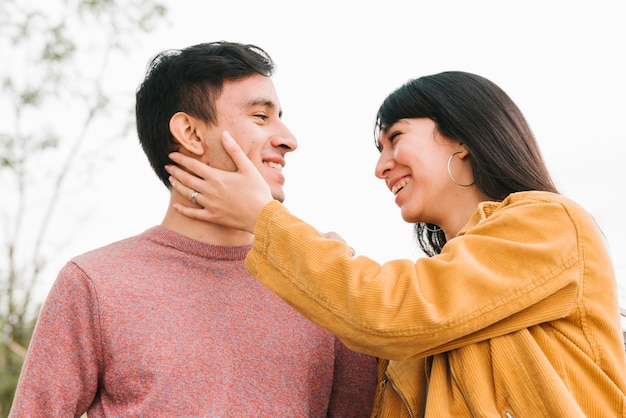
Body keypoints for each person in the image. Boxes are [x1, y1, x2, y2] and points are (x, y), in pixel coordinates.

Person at [164, 71, 626, 417]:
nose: (381, 166)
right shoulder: (445, 282)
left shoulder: (549, 224)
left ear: (461, 139)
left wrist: (265, 221)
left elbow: (393, 311)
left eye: (396, 138)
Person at [9, 41, 377, 417]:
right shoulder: (95, 284)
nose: (289, 139)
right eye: (261, 117)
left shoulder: (324, 281)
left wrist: (316, 261)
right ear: (190, 133)